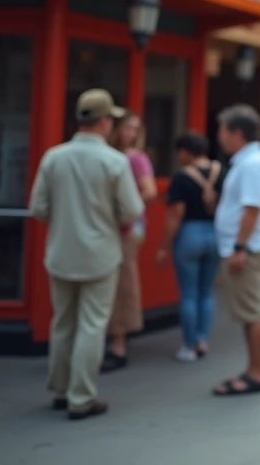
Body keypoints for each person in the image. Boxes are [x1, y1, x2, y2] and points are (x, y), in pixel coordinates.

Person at [29, 89, 143, 420]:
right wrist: (110, 221)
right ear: (105, 122)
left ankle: (61, 390)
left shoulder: (53, 157)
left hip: (61, 252)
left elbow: (38, 208)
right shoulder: (115, 161)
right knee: (92, 324)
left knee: (62, 322)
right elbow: (131, 209)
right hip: (100, 254)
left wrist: (65, 220)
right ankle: (82, 396)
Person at [211, 105, 260, 396]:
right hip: (247, 246)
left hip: (247, 248)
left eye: (223, 130)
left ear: (237, 133)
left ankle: (255, 373)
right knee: (250, 311)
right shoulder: (251, 161)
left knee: (252, 312)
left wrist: (239, 247)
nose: (220, 137)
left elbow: (251, 210)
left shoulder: (252, 164)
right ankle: (253, 369)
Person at [157, 131, 223, 362]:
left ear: (184, 152)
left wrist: (164, 245)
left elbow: (176, 213)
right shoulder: (221, 172)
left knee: (189, 293)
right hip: (215, 234)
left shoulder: (182, 177)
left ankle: (189, 345)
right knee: (207, 292)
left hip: (190, 234)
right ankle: (203, 339)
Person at [102, 111, 155, 372]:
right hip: (111, 227)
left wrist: (126, 212)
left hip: (127, 228)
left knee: (123, 282)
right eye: (126, 128)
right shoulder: (111, 155)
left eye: (135, 129)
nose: (130, 134)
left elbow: (149, 190)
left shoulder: (135, 158)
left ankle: (119, 341)